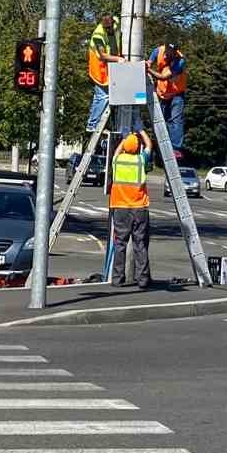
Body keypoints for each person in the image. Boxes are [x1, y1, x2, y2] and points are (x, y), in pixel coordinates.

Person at [108, 130, 152, 288]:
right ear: (137, 147)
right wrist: (141, 131)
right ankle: (143, 279)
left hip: (120, 207)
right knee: (140, 244)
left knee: (120, 243)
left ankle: (117, 279)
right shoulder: (141, 161)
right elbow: (149, 145)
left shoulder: (117, 160)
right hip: (139, 208)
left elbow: (117, 151)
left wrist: (125, 139)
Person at [84, 15, 118, 134]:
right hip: (99, 69)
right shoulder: (98, 35)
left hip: (108, 68)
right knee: (103, 97)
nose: (110, 30)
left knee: (101, 97)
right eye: (107, 29)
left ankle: (94, 122)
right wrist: (119, 59)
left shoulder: (116, 23)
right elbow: (103, 56)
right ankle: (92, 124)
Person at [150, 43, 187, 152]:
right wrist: (149, 62)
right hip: (163, 93)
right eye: (166, 52)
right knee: (163, 120)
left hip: (176, 94)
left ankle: (175, 148)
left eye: (169, 54)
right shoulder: (161, 50)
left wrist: (147, 70)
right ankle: (162, 146)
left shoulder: (180, 62)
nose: (166, 55)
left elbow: (163, 77)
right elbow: (154, 54)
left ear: (175, 53)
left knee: (175, 120)